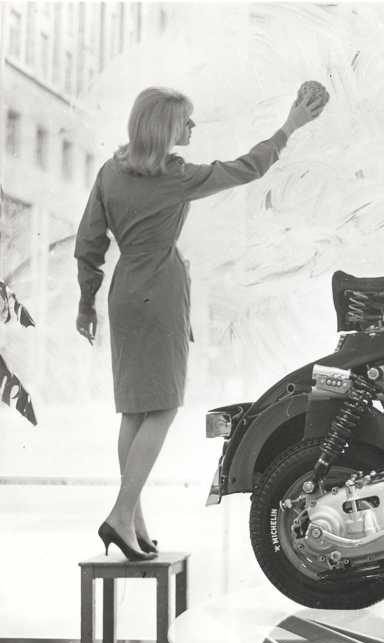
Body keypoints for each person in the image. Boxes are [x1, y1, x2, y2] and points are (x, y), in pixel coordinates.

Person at [75, 86, 326, 560]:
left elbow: (89, 243)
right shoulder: (175, 176)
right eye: (186, 121)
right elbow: (248, 167)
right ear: (165, 126)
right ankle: (120, 515)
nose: (192, 128)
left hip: (124, 292)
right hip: (161, 292)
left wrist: (85, 303)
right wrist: (290, 124)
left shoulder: (110, 173)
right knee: (164, 406)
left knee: (134, 409)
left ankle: (132, 522)